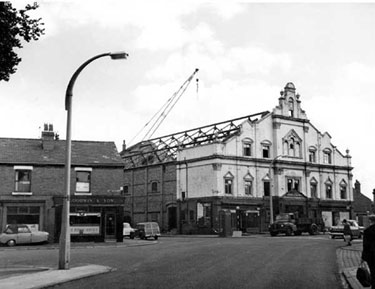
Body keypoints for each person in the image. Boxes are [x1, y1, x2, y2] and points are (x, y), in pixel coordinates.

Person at [362, 215, 375, 289]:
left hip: (371, 256)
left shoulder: (367, 231)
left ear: (370, 221)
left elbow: (365, 246)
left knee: (373, 273)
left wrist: (363, 258)